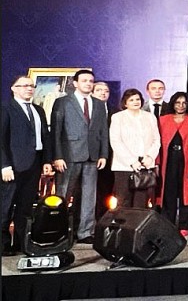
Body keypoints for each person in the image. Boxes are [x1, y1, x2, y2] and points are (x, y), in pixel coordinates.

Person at [52, 69, 109, 244]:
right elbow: (56, 131)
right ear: (75, 83)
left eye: (91, 81)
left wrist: (103, 154)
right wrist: (57, 156)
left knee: (89, 196)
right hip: (69, 155)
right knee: (63, 194)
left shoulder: (98, 104)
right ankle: (58, 231)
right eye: (84, 80)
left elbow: (103, 131)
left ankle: (85, 232)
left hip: (92, 155)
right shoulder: (62, 102)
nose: (88, 83)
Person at [1, 76, 53, 255]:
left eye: (31, 86)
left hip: (34, 165)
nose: (29, 89)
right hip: (13, 166)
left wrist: (46, 160)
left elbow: (45, 137)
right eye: (24, 86)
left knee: (25, 208)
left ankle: (22, 244)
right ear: (14, 88)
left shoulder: (38, 110)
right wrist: (4, 165)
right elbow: (1, 139)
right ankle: (4, 245)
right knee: (5, 207)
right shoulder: (6, 108)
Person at [156, 92, 188, 237]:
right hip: (168, 161)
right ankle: (168, 224)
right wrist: (157, 163)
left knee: (186, 195)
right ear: (172, 103)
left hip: (187, 161)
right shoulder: (163, 120)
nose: (181, 106)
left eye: (184, 103)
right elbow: (157, 143)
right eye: (178, 103)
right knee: (168, 194)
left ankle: (184, 225)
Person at [109, 88, 161, 208]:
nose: (135, 102)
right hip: (123, 166)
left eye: (137, 99)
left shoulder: (150, 117)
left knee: (141, 202)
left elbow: (156, 140)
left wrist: (150, 157)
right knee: (124, 201)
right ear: (125, 103)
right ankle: (124, 226)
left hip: (145, 165)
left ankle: (138, 227)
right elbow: (116, 141)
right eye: (131, 100)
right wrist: (132, 161)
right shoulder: (118, 117)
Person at [92, 81, 117, 219]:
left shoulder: (116, 113)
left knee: (107, 191)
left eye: (106, 91)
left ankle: (103, 220)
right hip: (89, 157)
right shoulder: (86, 110)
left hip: (111, 158)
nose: (103, 93)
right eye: (99, 90)